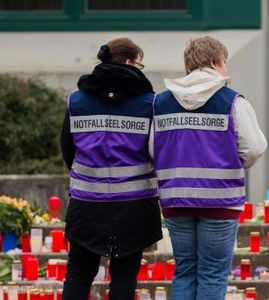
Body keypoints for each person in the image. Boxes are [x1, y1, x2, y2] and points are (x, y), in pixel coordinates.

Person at [150, 36, 267, 300]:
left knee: (185, 271)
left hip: (175, 199)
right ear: (215, 62)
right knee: (213, 274)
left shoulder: (160, 103)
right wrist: (234, 164)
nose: (227, 69)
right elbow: (255, 147)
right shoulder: (233, 102)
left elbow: (151, 150)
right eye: (225, 63)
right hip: (220, 200)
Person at [60, 38, 162, 300]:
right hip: (135, 205)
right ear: (129, 62)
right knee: (125, 276)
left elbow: (68, 150)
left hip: (86, 205)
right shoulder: (150, 104)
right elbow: (157, 151)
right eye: (140, 63)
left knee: (79, 273)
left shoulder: (76, 101)